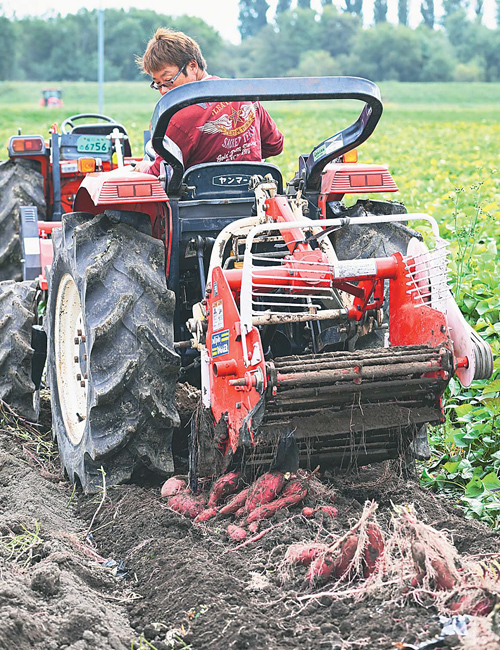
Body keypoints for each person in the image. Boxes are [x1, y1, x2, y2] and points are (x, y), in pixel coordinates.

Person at [133, 28, 284, 175]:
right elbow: (275, 145)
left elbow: (162, 172)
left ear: (192, 66)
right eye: (157, 84)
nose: (163, 91)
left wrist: (144, 167)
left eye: (168, 81)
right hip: (252, 194)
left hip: (200, 199)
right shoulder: (243, 95)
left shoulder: (177, 116)